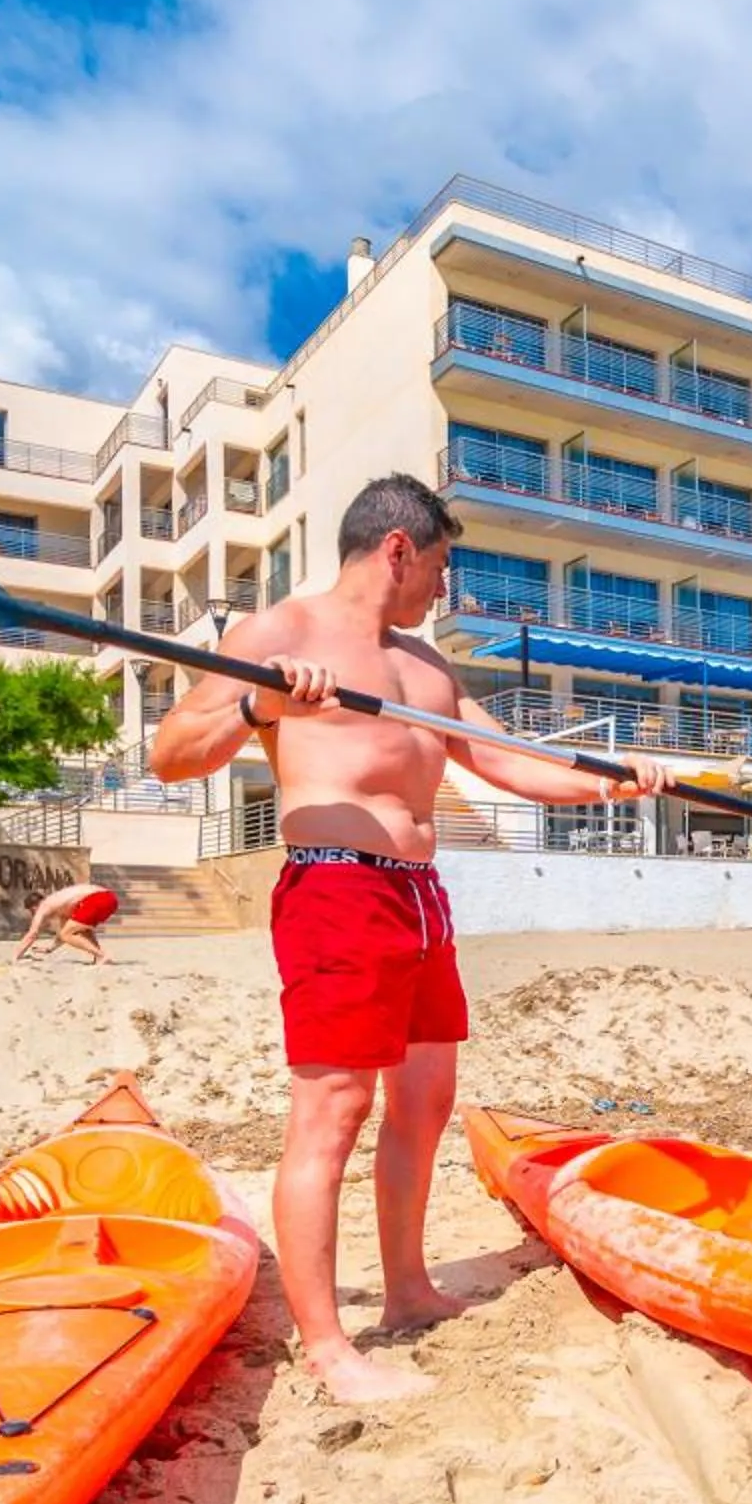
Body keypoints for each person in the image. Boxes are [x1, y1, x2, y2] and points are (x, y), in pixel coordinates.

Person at [149, 473, 664, 1403]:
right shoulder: (278, 633)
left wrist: (610, 781)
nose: (442, 585)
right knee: (333, 1109)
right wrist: (263, 708)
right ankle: (326, 1347)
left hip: (421, 897)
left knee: (423, 1102)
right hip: (336, 889)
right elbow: (171, 754)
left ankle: (407, 1290)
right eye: (440, 566)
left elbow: (508, 761)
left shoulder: (426, 669)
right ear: (399, 549)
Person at [13, 882, 121, 965]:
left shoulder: (44, 905)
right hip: (111, 899)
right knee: (82, 930)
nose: (33, 915)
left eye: (32, 912)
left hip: (97, 898)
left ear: (34, 907)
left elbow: (32, 933)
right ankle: (98, 958)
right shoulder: (62, 906)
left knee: (67, 934)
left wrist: (16, 956)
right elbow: (62, 933)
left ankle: (102, 956)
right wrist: (50, 949)